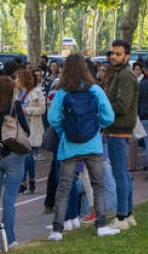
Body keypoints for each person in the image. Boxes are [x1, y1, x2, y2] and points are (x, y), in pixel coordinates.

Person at [47, 53, 119, 241]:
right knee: (98, 185)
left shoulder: (62, 91)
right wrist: (97, 126)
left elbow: (53, 118)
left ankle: (57, 230)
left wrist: (64, 130)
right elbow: (109, 116)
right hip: (93, 144)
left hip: (69, 146)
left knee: (63, 187)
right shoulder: (94, 89)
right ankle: (101, 225)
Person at [0, 75, 29, 251]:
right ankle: (10, 238)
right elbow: (26, 130)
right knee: (9, 198)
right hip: (13, 155)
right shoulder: (15, 106)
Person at [101, 39, 139, 230]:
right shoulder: (121, 74)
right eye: (112, 53)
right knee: (123, 173)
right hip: (117, 129)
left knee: (119, 175)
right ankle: (128, 214)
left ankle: (122, 217)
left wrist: (102, 107)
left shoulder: (125, 76)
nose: (114, 56)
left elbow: (122, 106)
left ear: (127, 56)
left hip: (118, 130)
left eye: (118, 54)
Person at [17, 69, 46, 195]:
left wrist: (27, 110)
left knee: (28, 157)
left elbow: (42, 109)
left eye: (18, 78)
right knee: (23, 157)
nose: (16, 81)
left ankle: (29, 182)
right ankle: (25, 182)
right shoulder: (18, 92)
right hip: (21, 129)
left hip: (33, 128)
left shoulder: (37, 92)